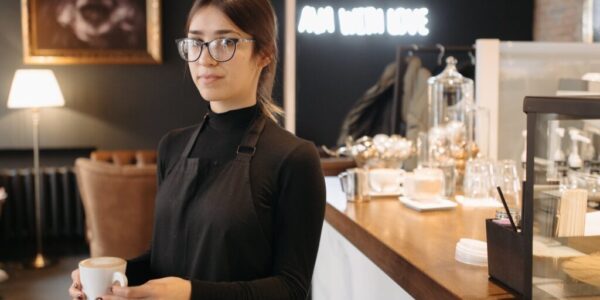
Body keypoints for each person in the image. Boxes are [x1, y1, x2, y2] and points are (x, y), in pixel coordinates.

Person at [68, 0, 326, 299]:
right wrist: (112, 275)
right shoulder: (172, 146)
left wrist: (191, 293)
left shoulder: (294, 159)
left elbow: (291, 288)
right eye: (196, 42)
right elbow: (164, 257)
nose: (205, 59)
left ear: (264, 54)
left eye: (224, 42)